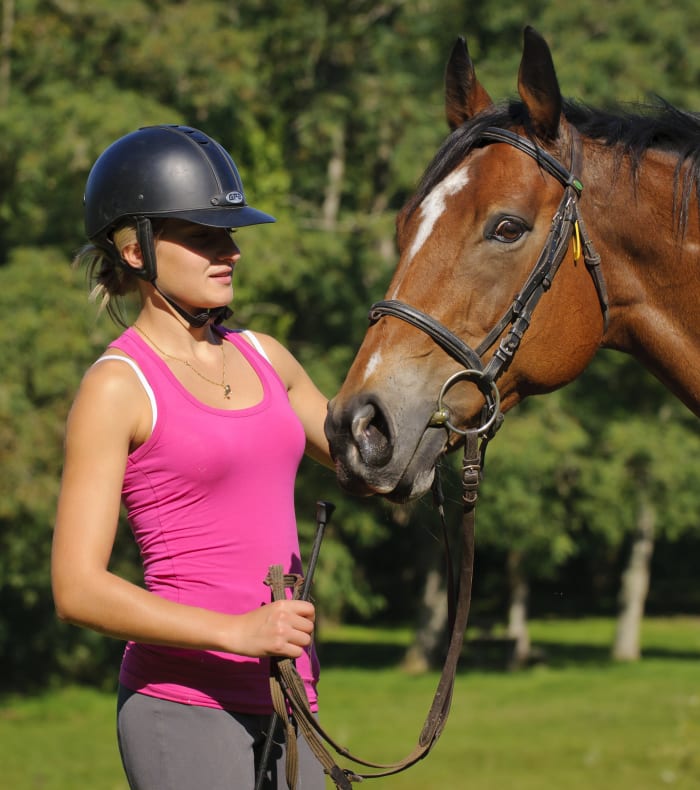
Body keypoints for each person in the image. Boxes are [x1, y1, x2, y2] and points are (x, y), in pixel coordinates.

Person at [51, 124, 332, 790]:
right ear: (135, 249)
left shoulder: (267, 357)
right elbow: (76, 589)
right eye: (204, 236)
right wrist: (237, 633)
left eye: (230, 234)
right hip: (182, 709)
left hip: (292, 700)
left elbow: (374, 467)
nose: (230, 251)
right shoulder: (118, 386)